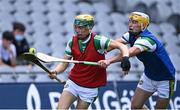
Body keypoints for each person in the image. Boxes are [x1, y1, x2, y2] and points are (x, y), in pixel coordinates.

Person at [48, 14, 131, 109]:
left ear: (90, 28)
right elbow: (64, 63)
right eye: (76, 27)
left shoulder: (98, 41)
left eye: (81, 28)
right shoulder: (72, 42)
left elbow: (122, 46)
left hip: (90, 88)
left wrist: (125, 58)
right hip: (73, 83)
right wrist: (55, 71)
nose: (77, 30)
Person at [99, 12, 176, 109]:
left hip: (165, 79)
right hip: (149, 76)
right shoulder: (131, 34)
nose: (130, 25)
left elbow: (130, 52)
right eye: (130, 21)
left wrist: (109, 61)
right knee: (135, 107)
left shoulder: (148, 40)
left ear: (143, 26)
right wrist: (102, 50)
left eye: (135, 22)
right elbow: (115, 43)